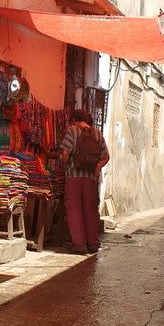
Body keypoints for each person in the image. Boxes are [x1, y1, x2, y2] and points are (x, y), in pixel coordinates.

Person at [59, 109, 110, 254]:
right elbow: (106, 156)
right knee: (90, 209)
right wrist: (97, 169)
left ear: (75, 119)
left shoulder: (72, 130)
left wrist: (65, 163)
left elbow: (65, 153)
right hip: (91, 178)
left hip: (74, 176)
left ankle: (79, 244)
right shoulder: (97, 134)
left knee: (74, 208)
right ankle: (93, 243)